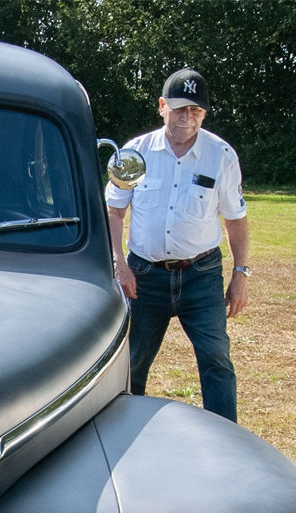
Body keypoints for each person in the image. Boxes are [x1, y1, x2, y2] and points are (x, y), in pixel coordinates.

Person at [105, 67, 250, 423]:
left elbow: (235, 219)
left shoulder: (221, 156)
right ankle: (122, 432)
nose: (187, 118)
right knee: (132, 360)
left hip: (201, 276)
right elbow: (114, 211)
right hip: (143, 277)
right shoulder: (133, 155)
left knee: (216, 358)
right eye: (180, 108)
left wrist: (241, 273)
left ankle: (226, 439)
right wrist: (119, 264)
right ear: (162, 106)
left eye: (196, 111)